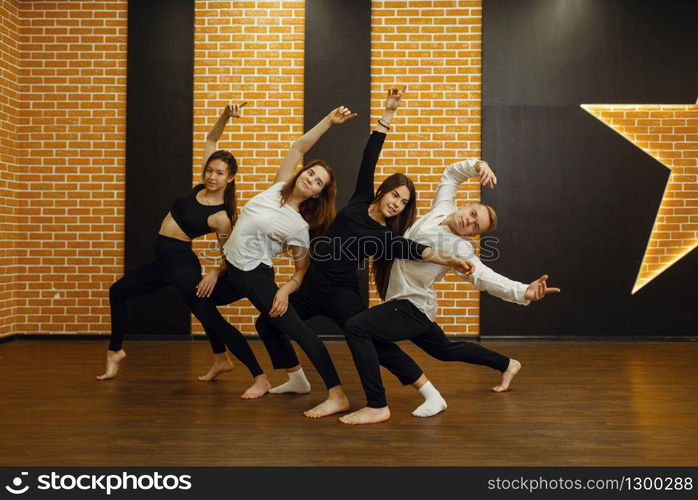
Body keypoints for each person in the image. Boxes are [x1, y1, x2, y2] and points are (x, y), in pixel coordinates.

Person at [253, 88, 475, 418]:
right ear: (384, 191)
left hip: (343, 294)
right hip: (312, 285)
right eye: (395, 195)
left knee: (371, 341)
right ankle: (297, 380)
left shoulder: (386, 236)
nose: (396, 203)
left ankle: (425, 393)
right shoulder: (359, 200)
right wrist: (388, 113)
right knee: (267, 323)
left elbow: (420, 250)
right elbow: (369, 156)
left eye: (402, 203)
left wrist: (451, 259)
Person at [340, 157, 561, 424]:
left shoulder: (460, 249)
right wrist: (477, 165)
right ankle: (506, 364)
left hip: (410, 307)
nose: (469, 221)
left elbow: (485, 278)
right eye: (472, 214)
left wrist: (524, 291)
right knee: (445, 350)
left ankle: (378, 404)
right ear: (465, 206)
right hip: (409, 304)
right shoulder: (442, 209)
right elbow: (451, 175)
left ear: (474, 234)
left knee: (357, 328)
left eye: (475, 226)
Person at [98, 103, 267, 400]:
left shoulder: (221, 216)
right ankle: (117, 350)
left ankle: (260, 377)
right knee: (118, 291)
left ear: (229, 179)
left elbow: (231, 255)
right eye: (210, 170)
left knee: (212, 319)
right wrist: (225, 116)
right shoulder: (198, 188)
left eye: (219, 174)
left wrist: (215, 271)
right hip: (161, 263)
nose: (212, 176)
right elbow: (211, 141)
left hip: (181, 267)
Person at [212, 105, 356, 401]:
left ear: (318, 194)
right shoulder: (276, 188)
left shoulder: (299, 227)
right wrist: (328, 120)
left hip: (255, 277)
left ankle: (336, 392)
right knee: (200, 300)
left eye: (318, 182)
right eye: (311, 173)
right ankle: (296, 379)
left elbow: (301, 270)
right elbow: (298, 146)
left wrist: (285, 291)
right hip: (233, 272)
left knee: (299, 332)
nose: (311, 180)